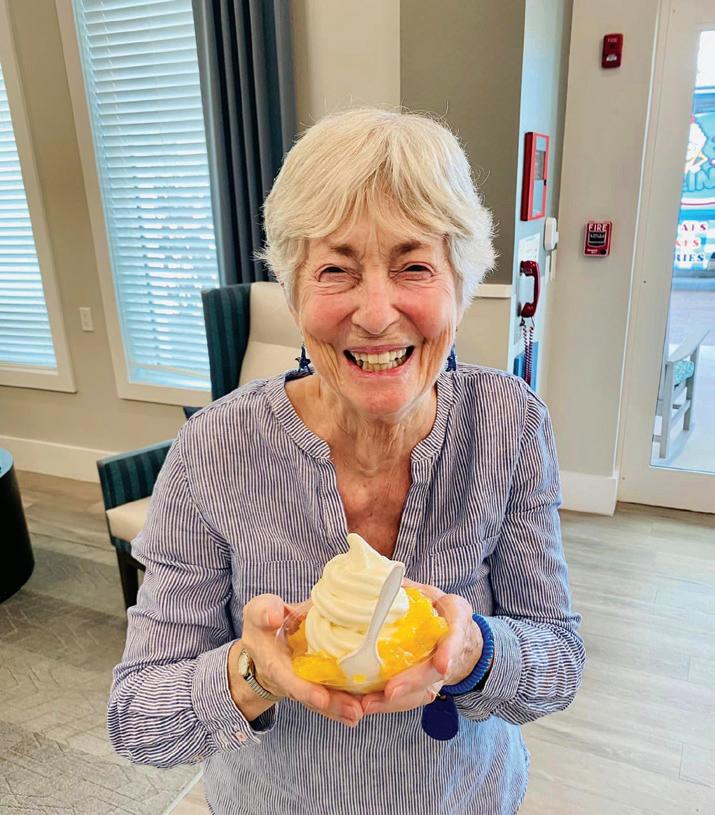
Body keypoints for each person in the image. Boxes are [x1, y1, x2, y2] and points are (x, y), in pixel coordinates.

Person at [108, 107, 584, 815]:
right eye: (336, 269)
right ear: (293, 292)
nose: (376, 312)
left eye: (414, 265)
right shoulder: (215, 450)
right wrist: (253, 672)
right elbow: (138, 718)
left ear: (460, 282)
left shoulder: (508, 426)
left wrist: (474, 652)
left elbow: (558, 661)